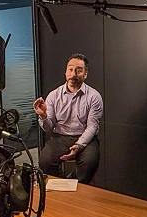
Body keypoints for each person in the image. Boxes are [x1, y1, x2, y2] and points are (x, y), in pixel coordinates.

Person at [33, 53, 102, 183]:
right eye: (70, 69)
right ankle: (64, 183)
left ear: (85, 74)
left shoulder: (94, 96)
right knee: (45, 161)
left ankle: (76, 182)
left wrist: (79, 145)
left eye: (78, 70)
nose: (73, 74)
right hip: (60, 137)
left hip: (86, 138)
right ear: (66, 72)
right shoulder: (53, 96)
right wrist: (43, 115)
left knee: (89, 163)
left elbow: (92, 126)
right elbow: (48, 128)